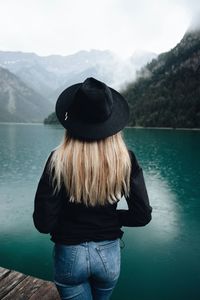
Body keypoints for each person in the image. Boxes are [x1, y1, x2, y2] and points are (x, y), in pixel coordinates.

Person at [33, 77, 152, 300]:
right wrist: (111, 218)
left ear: (72, 122)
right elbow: (142, 215)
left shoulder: (57, 160)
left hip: (69, 256)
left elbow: (43, 223)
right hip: (109, 256)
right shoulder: (125, 160)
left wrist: (70, 219)